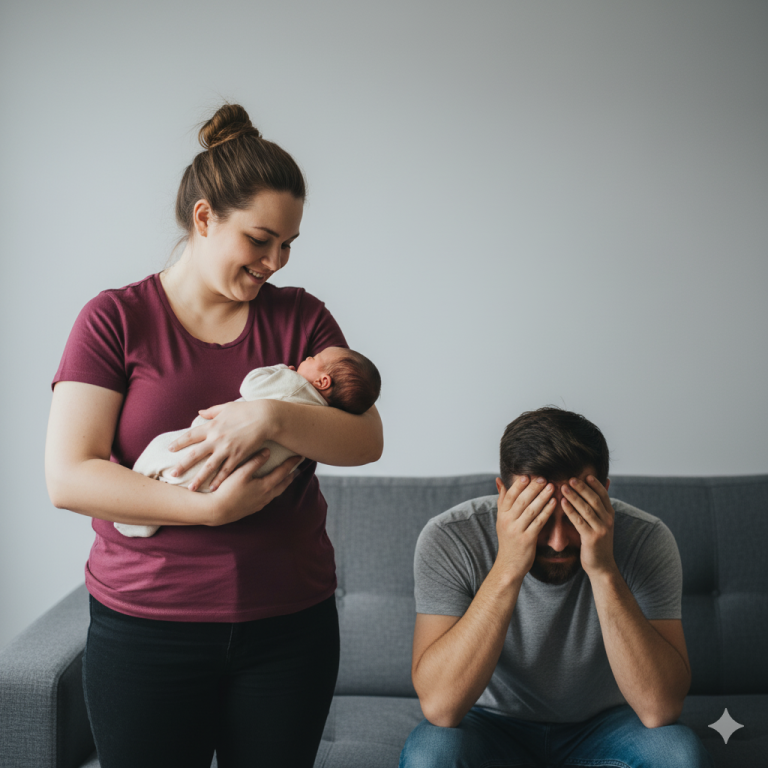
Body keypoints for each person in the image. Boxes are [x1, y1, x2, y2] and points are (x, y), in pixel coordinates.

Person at [45, 103, 383, 768]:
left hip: (289, 627)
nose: (275, 262)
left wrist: (271, 417)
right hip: (146, 627)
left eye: (288, 244)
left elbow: (365, 437)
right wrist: (211, 510)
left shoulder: (301, 319)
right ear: (205, 218)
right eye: (261, 240)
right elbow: (70, 476)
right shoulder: (115, 320)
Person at [400, 407, 712, 768]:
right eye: (539, 516)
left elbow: (660, 709)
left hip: (610, 723)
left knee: (679, 755)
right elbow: (441, 708)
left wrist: (604, 570)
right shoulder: (450, 537)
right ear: (503, 493)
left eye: (576, 515)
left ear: (604, 493)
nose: (560, 542)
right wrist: (508, 567)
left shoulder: (647, 539)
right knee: (431, 756)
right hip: (485, 721)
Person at [116, 346, 381, 537]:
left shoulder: (294, 384)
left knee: (162, 449)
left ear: (323, 381)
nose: (306, 357)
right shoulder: (323, 419)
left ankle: (135, 520)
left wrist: (279, 372)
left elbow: (251, 386)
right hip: (235, 481)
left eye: (313, 357)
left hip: (196, 459)